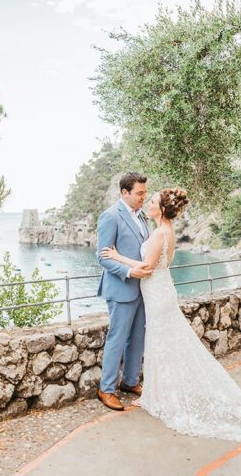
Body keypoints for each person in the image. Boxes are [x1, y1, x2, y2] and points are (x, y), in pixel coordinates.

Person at [100, 187, 241, 442]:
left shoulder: (158, 233)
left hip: (156, 294)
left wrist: (118, 256)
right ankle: (158, 392)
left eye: (152, 199)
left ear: (162, 208)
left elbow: (147, 267)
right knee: (161, 343)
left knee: (160, 344)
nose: (148, 202)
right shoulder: (167, 231)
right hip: (160, 292)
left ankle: (161, 395)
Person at [95, 172, 153, 411]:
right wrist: (130, 273)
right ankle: (106, 389)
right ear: (125, 193)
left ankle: (130, 381)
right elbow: (102, 257)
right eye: (139, 193)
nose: (143, 197)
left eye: (144, 193)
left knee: (138, 338)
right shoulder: (110, 216)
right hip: (121, 288)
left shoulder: (142, 217)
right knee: (117, 339)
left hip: (143, 289)